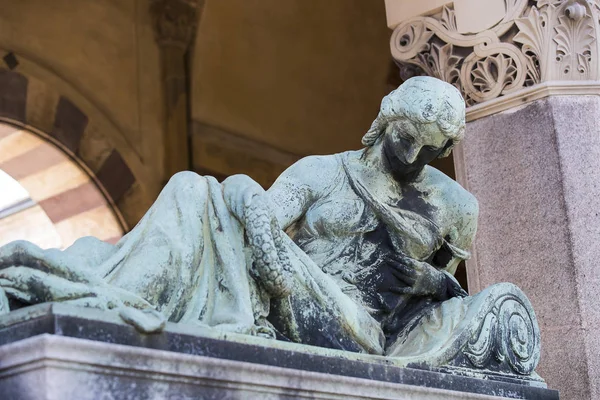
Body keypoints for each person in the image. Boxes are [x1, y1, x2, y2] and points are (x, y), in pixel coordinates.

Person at [0, 77, 539, 372]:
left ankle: (101, 295)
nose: (414, 152)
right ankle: (103, 292)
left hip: (360, 328)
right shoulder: (322, 172)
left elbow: (451, 296)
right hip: (292, 287)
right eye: (407, 136)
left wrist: (431, 281)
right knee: (193, 187)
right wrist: (251, 216)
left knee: (208, 193)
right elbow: (261, 209)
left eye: (432, 146)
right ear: (388, 120)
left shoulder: (454, 205)